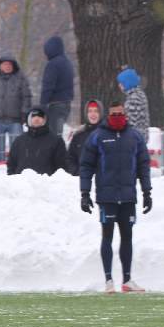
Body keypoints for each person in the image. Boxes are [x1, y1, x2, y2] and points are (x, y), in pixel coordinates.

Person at [80, 101, 152, 294]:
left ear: (126, 114)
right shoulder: (98, 137)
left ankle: (127, 280)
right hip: (107, 197)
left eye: (121, 113)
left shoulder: (135, 137)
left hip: (128, 197)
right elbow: (86, 166)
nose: (118, 116)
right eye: (114, 114)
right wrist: (84, 193)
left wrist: (147, 192)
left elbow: (143, 166)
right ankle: (108, 280)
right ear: (108, 115)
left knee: (127, 237)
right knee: (107, 237)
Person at [0, 51, 32, 165]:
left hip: (16, 121)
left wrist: (25, 114)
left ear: (14, 66)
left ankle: (17, 169)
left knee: (18, 149)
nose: (7, 66)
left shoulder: (21, 79)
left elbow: (26, 98)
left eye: (10, 64)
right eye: (4, 64)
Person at [6, 106, 68, 176]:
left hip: (47, 183)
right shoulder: (19, 140)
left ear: (45, 119)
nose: (37, 118)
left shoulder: (56, 141)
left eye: (40, 116)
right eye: (33, 116)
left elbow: (61, 167)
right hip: (21, 183)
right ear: (29, 119)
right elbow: (11, 164)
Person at [40, 35, 74, 136]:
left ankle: (55, 152)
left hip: (55, 105)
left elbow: (48, 86)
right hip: (66, 104)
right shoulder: (68, 63)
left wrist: (42, 105)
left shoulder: (53, 64)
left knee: (52, 136)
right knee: (58, 134)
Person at [66, 100, 102, 175]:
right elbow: (70, 159)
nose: (93, 114)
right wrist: (77, 172)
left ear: (100, 113)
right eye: (90, 111)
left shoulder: (108, 134)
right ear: (86, 113)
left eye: (96, 111)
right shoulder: (78, 135)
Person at [117, 68, 150, 141]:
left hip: (134, 139)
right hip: (139, 136)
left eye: (121, 82)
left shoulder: (134, 98)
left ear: (127, 82)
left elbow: (131, 122)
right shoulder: (139, 94)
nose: (119, 85)